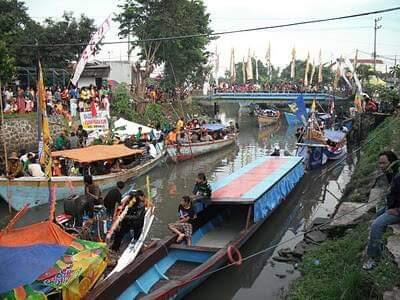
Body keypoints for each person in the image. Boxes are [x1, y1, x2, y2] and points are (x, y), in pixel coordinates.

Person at [363, 151, 400, 270]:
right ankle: (378, 243)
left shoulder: (398, 175)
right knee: (377, 215)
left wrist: (398, 210)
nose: (381, 166)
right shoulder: (392, 172)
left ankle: (373, 258)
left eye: (384, 163)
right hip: (392, 205)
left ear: (392, 162)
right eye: (379, 163)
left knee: (376, 225)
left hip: (397, 209)